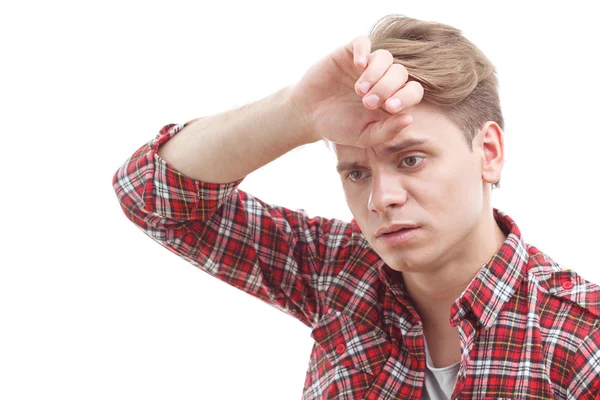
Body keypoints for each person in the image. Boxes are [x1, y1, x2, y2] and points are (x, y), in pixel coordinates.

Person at [112, 14, 600, 399]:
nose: (381, 197)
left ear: (488, 153)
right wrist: (296, 114)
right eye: (356, 172)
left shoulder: (580, 340)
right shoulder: (338, 270)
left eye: (410, 159)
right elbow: (153, 198)